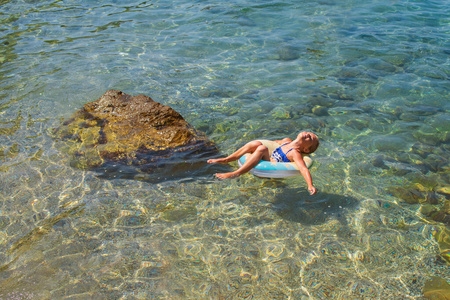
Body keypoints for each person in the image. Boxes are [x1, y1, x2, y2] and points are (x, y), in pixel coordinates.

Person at [207, 132, 319, 195]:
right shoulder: (286, 141)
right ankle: (226, 159)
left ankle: (236, 173)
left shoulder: (295, 153)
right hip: (268, 160)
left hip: (267, 173)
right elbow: (273, 144)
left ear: (306, 150)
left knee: (261, 148)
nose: (307, 134)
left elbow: (303, 169)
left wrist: (310, 185)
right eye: (308, 133)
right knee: (257, 144)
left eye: (310, 138)